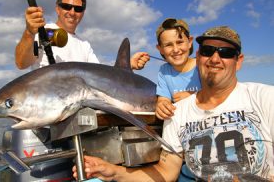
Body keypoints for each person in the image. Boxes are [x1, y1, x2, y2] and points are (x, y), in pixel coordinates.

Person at [72, 26, 274, 181]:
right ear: (199, 57)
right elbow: (165, 172)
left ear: (239, 61)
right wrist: (112, 171)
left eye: (226, 52)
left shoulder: (265, 98)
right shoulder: (177, 113)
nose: (215, 58)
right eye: (207, 51)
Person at [15, 0, 149, 70]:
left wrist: (127, 66)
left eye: (78, 9)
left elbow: (99, 75)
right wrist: (29, 33)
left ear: (83, 13)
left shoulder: (84, 46)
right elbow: (22, 63)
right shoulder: (42, 33)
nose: (72, 12)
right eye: (67, 6)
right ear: (57, 8)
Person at [154, 18, 201, 121]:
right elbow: (163, 98)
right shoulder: (164, 71)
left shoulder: (202, 65)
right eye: (168, 45)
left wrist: (193, 97)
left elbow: (217, 92)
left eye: (180, 42)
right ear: (160, 49)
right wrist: (162, 105)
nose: (175, 50)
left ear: (190, 42)